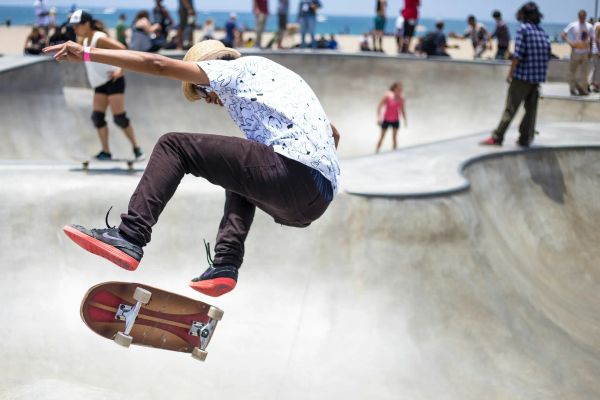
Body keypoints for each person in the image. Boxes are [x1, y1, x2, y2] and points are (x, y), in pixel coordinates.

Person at [44, 39, 341, 298]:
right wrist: (304, 181)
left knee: (174, 145)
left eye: (200, 91)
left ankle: (130, 236)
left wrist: (85, 53)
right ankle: (226, 263)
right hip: (316, 199)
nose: (208, 100)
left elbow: (157, 64)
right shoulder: (277, 81)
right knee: (238, 170)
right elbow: (334, 134)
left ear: (209, 70)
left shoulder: (232, 70)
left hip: (289, 173)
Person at [68, 10, 143, 160]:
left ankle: (137, 150)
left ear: (87, 24)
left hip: (114, 81)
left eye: (77, 25)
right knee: (97, 117)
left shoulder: (99, 38)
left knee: (119, 118)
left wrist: (121, 71)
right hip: (100, 83)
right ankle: (106, 152)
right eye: (73, 26)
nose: (74, 29)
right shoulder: (84, 41)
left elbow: (123, 49)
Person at [480, 2, 550, 148]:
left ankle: (497, 137)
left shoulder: (523, 30)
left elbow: (517, 55)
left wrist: (510, 73)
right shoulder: (541, 31)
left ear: (522, 15)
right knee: (531, 111)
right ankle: (525, 138)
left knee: (510, 108)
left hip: (522, 77)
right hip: (537, 78)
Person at [561, 10, 594, 95]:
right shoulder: (573, 24)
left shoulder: (589, 26)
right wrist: (570, 42)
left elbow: (591, 39)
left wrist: (590, 51)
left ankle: (584, 89)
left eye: (583, 17)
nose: (582, 18)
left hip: (585, 52)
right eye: (580, 17)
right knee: (572, 71)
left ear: (585, 16)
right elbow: (563, 34)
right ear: (578, 16)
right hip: (575, 51)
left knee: (584, 72)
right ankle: (572, 89)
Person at [376, 82, 407, 152]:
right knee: (382, 137)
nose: (400, 90)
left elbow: (402, 110)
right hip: (386, 119)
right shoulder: (387, 95)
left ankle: (394, 152)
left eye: (401, 89)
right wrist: (378, 118)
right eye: (398, 89)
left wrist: (405, 120)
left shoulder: (401, 98)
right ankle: (376, 151)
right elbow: (379, 106)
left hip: (395, 120)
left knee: (394, 137)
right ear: (394, 89)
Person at [592, 19, 600, 92]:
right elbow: (597, 39)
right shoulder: (599, 26)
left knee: (595, 68)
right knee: (597, 68)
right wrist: (598, 50)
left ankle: (593, 84)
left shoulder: (595, 24)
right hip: (597, 50)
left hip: (594, 50)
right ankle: (596, 85)